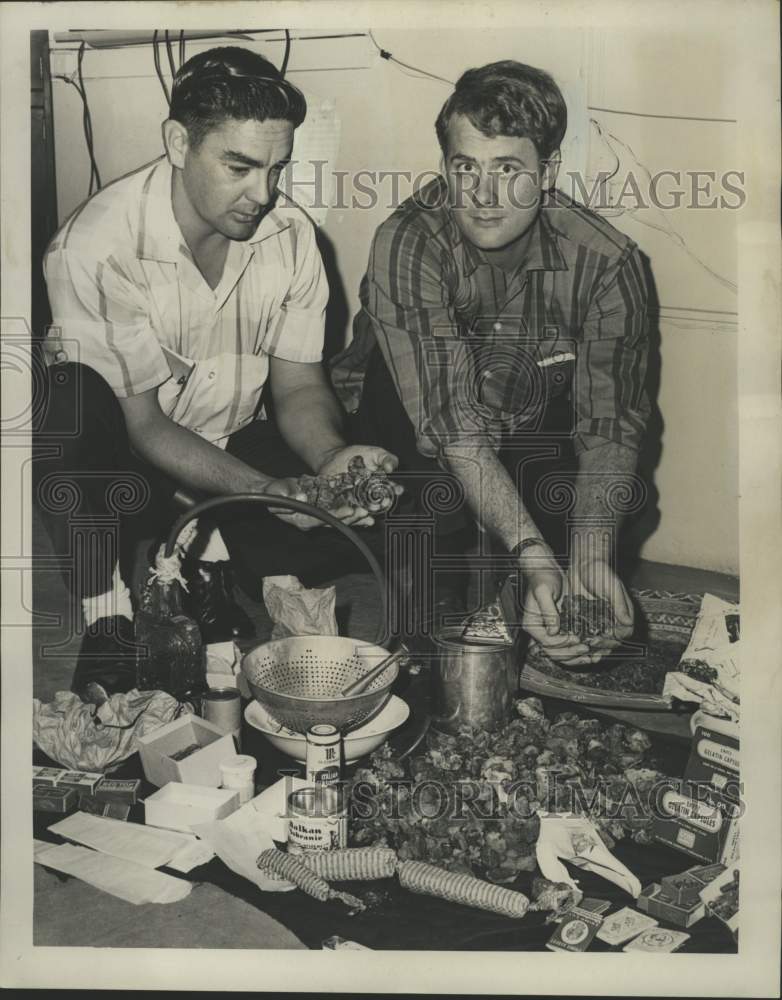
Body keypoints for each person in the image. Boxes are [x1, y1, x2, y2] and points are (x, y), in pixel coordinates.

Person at [35, 46, 398, 698]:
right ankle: (109, 616)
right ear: (178, 141)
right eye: (239, 166)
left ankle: (204, 567)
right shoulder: (93, 247)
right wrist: (269, 494)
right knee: (65, 400)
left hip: (226, 454)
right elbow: (144, 427)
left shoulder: (290, 238)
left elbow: (298, 387)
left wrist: (332, 457)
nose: (263, 193)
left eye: (276, 167)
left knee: (387, 517)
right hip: (130, 466)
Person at [331, 60, 650, 665]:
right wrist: (533, 553)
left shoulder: (608, 263)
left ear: (547, 171)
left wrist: (590, 552)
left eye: (508, 170)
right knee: (431, 498)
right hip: (408, 422)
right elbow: (450, 423)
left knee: (615, 505)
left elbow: (611, 422)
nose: (482, 196)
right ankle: (427, 622)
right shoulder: (408, 239)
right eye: (465, 169)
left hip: (522, 411)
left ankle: (548, 588)